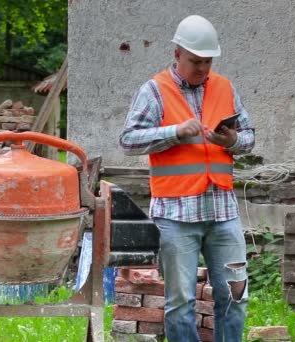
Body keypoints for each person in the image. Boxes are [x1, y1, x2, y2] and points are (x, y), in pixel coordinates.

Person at [119, 14, 255, 342]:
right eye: (196, 61)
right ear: (177, 53)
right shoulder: (155, 91)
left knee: (235, 296)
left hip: (223, 214)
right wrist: (175, 132)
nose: (203, 69)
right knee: (180, 304)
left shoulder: (224, 88)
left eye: (208, 62)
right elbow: (128, 140)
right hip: (176, 217)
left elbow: (250, 136)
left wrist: (232, 141)